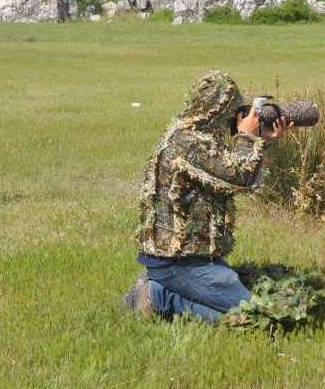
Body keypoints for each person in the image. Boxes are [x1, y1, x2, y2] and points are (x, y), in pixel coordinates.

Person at [125, 70, 292, 322]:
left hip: (189, 260)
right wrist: (246, 136)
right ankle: (156, 295)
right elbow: (239, 176)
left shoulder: (192, 136)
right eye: (234, 110)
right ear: (218, 111)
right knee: (252, 316)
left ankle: (162, 286)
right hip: (180, 262)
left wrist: (261, 142)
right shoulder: (188, 143)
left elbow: (231, 173)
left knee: (243, 304)